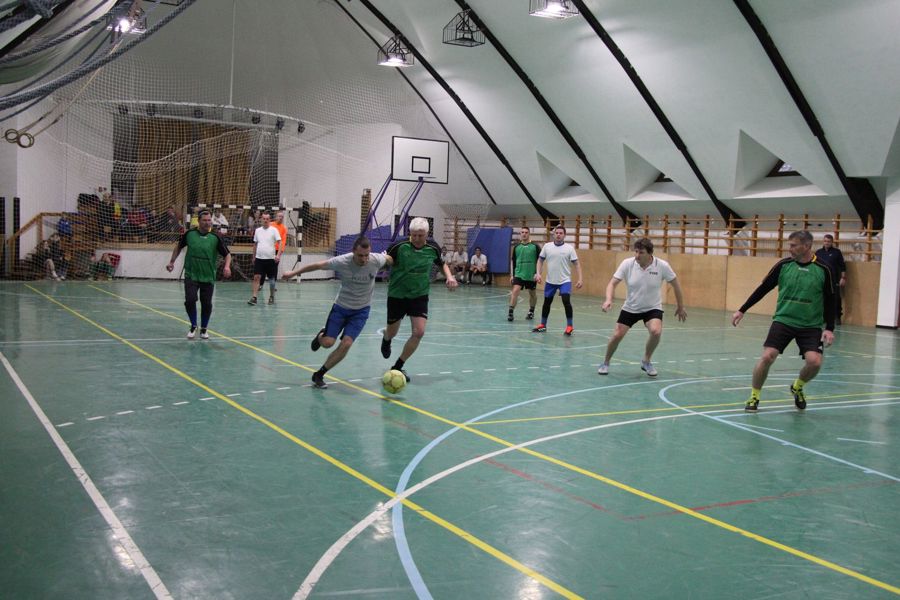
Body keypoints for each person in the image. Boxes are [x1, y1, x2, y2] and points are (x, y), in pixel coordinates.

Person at [732, 230, 835, 412]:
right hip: (784, 320)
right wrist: (742, 309)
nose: (790, 248)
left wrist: (829, 328)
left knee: (815, 362)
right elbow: (764, 288)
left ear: (807, 246)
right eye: (790, 245)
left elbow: (831, 299)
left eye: (794, 245)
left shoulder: (823, 269)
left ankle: (797, 386)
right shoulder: (783, 265)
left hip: (810, 325)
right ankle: (754, 396)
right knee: (767, 356)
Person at [282, 236, 392, 388]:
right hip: (341, 308)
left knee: (346, 343)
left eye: (366, 255)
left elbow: (390, 259)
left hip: (361, 311)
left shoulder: (376, 259)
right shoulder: (342, 261)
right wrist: (293, 273)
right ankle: (320, 336)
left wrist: (390, 265)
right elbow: (317, 265)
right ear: (353, 252)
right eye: (360, 255)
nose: (364, 259)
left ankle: (319, 374)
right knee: (328, 343)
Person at [381, 217, 458, 381]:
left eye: (420, 235)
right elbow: (387, 261)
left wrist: (449, 277)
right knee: (392, 331)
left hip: (419, 294)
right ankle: (386, 339)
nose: (416, 238)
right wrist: (383, 260)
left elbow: (441, 263)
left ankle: (398, 366)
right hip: (397, 294)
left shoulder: (433, 247)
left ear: (427, 234)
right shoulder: (399, 245)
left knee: (419, 332)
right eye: (414, 235)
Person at [598, 238, 687, 376]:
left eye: (641, 252)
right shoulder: (627, 264)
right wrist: (608, 299)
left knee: (656, 332)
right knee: (617, 335)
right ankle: (605, 362)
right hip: (631, 307)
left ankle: (646, 361)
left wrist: (680, 306)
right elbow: (612, 283)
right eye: (636, 251)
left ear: (650, 253)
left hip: (652, 308)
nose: (637, 255)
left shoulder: (662, 266)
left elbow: (676, 285)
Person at [166, 209, 232, 339]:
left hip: (208, 276)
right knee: (190, 300)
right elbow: (178, 247)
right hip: (192, 274)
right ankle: (193, 325)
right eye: (205, 220)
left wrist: (227, 266)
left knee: (206, 304)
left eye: (209, 220)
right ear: (199, 221)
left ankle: (204, 329)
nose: (208, 223)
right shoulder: (189, 234)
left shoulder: (215, 237)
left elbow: (227, 254)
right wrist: (172, 262)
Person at [532, 225, 582, 335]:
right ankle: (543, 325)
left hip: (565, 281)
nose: (558, 235)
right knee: (547, 303)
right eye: (557, 233)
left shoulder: (569, 248)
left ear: (564, 235)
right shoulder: (547, 246)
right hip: (550, 281)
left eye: (561, 233)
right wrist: (538, 273)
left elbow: (577, 264)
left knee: (566, 301)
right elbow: (540, 260)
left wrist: (580, 279)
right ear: (554, 234)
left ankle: (569, 326)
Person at [248, 213, 283, 305]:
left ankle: (271, 296)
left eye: (267, 219)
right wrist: (253, 256)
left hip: (271, 259)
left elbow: (280, 243)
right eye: (264, 218)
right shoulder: (257, 231)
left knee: (272, 281)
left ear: (269, 220)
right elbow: (255, 244)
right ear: (261, 220)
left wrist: (278, 255)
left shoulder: (274, 230)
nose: (265, 220)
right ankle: (254, 297)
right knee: (256, 277)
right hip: (259, 259)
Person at [508, 226, 540, 321]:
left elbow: (540, 261)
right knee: (515, 290)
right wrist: (512, 275)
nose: (524, 234)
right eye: (522, 232)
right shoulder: (516, 247)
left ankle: (531, 311)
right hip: (519, 273)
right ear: (520, 234)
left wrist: (538, 273)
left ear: (529, 234)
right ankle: (510, 312)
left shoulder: (535, 246)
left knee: (532, 293)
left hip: (531, 275)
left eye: (526, 232)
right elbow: (513, 262)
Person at [815, 234, 847, 325]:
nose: (827, 243)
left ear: (832, 242)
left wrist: (843, 278)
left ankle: (837, 317)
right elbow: (814, 265)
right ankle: (823, 317)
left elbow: (842, 266)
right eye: (825, 241)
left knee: (836, 298)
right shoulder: (818, 252)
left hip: (834, 279)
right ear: (823, 242)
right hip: (821, 279)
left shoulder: (837, 252)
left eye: (828, 241)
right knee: (822, 298)